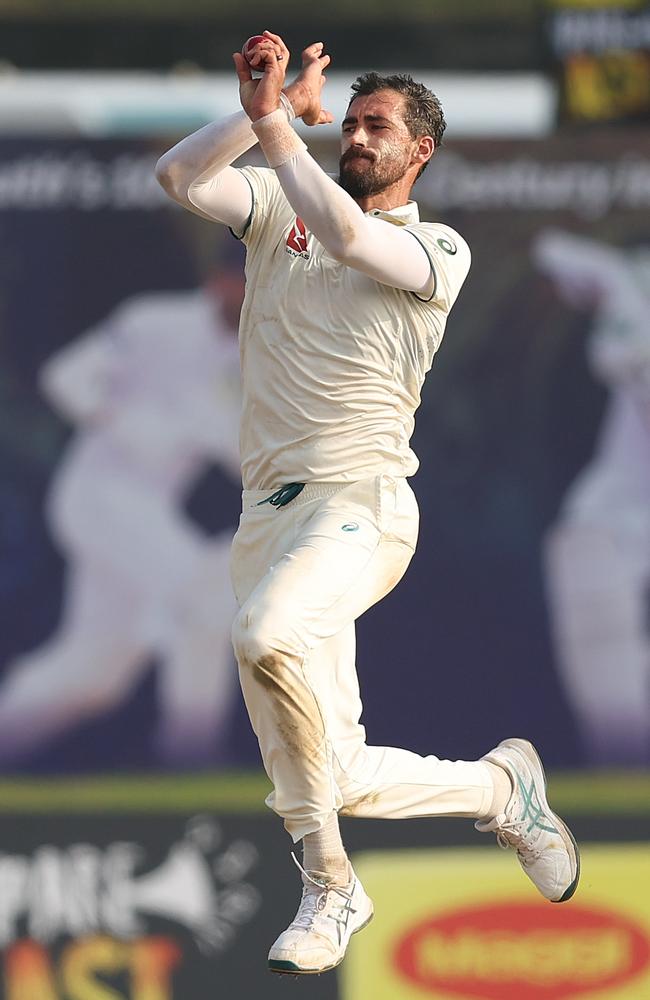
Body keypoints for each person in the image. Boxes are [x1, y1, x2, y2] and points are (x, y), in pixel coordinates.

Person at [156, 32, 580, 975]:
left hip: (361, 507)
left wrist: (274, 127)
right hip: (262, 517)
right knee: (330, 773)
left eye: (375, 125)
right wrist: (257, 113)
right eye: (346, 121)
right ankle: (501, 791)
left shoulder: (437, 247)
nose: (354, 134)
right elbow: (181, 177)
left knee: (265, 636)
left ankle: (331, 887)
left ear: (420, 149)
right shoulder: (278, 200)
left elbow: (348, 237)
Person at [0, 245, 244, 766]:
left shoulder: (254, 357)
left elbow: (245, 455)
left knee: (94, 676)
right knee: (204, 602)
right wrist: (117, 417)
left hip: (151, 513)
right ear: (221, 281)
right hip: (97, 496)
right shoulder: (154, 321)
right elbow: (64, 376)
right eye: (247, 280)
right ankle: (192, 766)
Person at [533, 229, 650, 765]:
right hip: (617, 505)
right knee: (583, 558)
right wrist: (605, 277)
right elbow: (552, 249)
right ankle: (622, 780)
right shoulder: (631, 279)